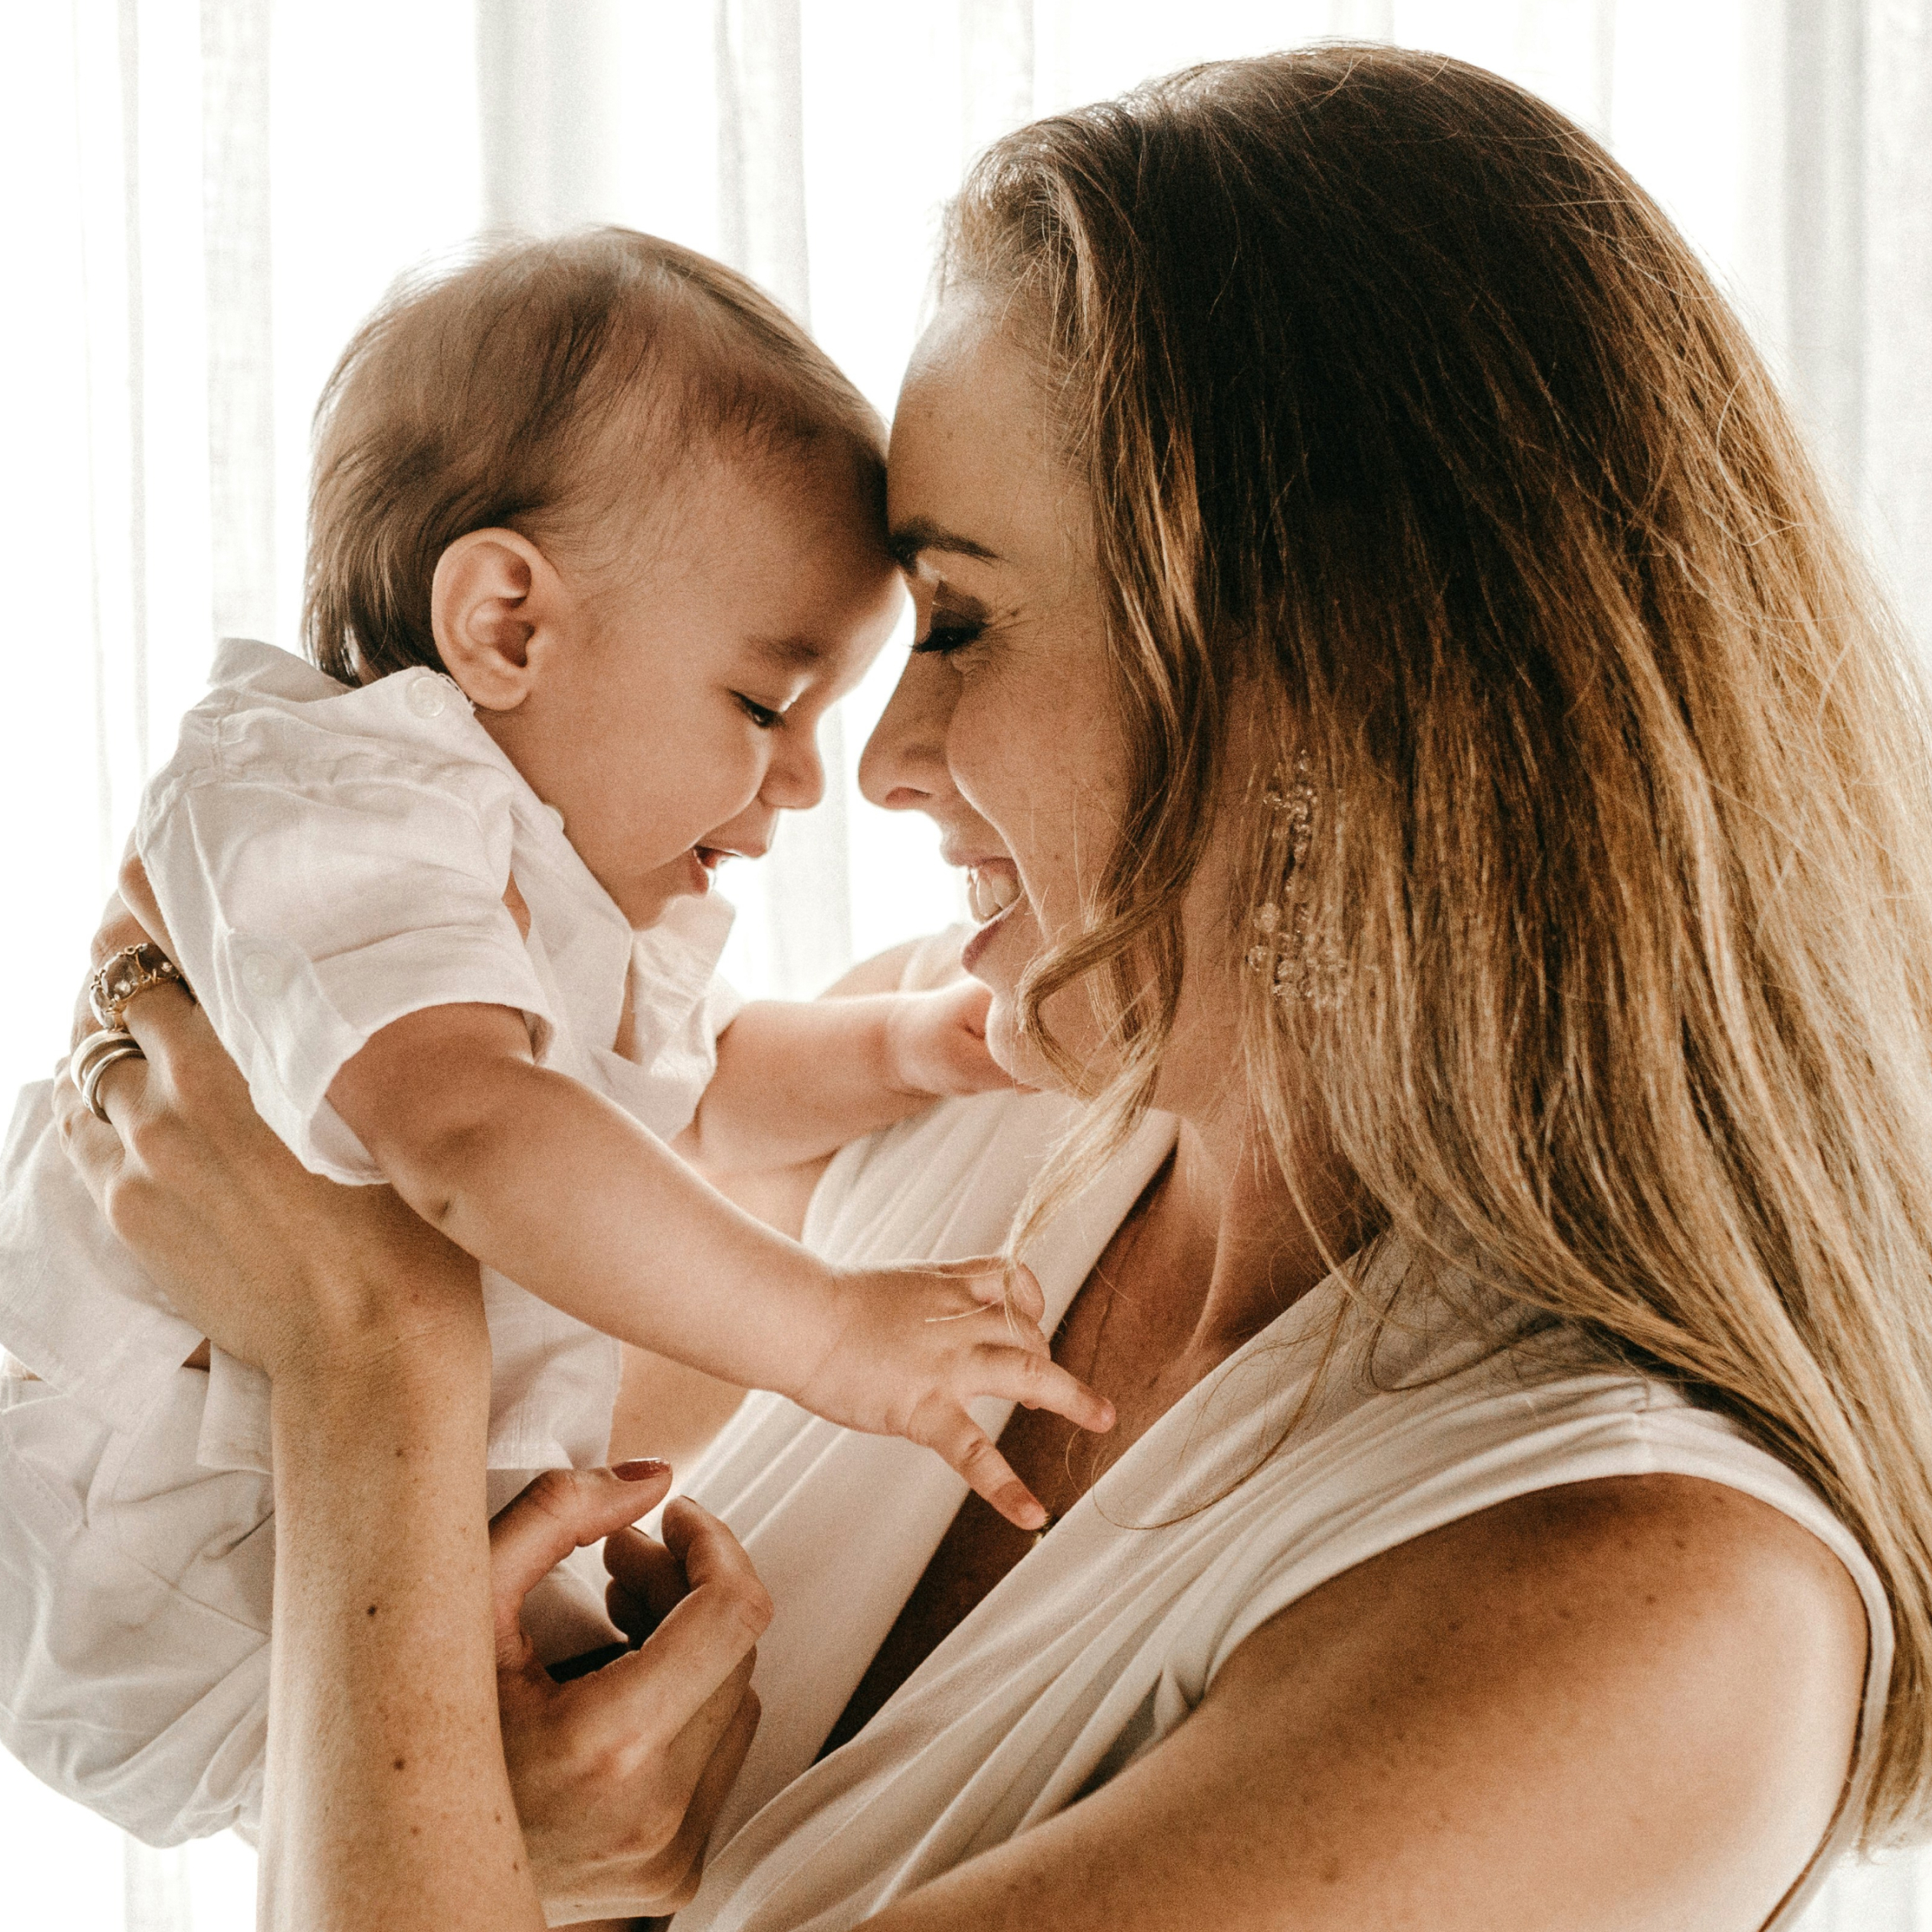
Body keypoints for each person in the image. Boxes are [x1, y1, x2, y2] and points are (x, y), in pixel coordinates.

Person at [37, 42, 1932, 1930]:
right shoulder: (948, 1111)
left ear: (1329, 674)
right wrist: (496, 1831)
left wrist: (372, 1353)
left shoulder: (1645, 1610)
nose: (875, 762)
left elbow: (384, 1432)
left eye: (953, 618)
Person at [0, 228, 1108, 1847]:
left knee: (644, 1787)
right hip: (151, 1537)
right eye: (764, 703)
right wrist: (826, 1334)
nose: (814, 779)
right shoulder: (331, 797)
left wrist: (913, 1046)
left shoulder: (536, 874)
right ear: (507, 623)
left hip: (333, 1523)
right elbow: (471, 1135)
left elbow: (693, 1096)